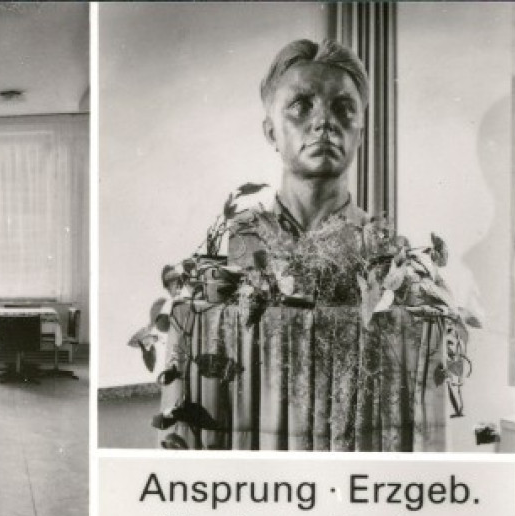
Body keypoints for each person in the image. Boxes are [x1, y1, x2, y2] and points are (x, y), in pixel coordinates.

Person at [135, 40, 471, 452]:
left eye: (344, 108)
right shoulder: (237, 242)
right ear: (270, 131)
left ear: (360, 131)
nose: (324, 122)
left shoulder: (386, 257)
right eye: (301, 106)